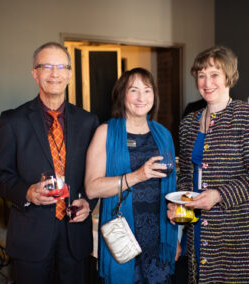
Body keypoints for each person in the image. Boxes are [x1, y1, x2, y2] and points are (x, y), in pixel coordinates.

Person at [0, 42, 99, 283]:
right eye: (46, 66)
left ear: (70, 74)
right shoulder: (13, 121)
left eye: (61, 67)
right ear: (35, 73)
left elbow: (95, 175)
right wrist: (27, 192)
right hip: (30, 238)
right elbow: (0, 175)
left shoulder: (88, 122)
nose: (54, 73)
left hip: (75, 235)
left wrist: (88, 201)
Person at [168, 46, 249, 283]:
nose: (207, 82)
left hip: (235, 229)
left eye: (214, 74)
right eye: (201, 75)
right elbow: (185, 177)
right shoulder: (189, 123)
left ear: (228, 77)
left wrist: (219, 195)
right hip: (198, 230)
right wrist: (180, 207)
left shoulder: (245, 116)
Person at [85, 67, 178, 284]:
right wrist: (137, 175)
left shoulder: (163, 134)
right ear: (121, 94)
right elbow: (92, 188)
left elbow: (171, 191)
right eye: (133, 90)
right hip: (123, 235)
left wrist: (174, 239)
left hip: (158, 239)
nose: (141, 97)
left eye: (147, 90)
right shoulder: (105, 133)